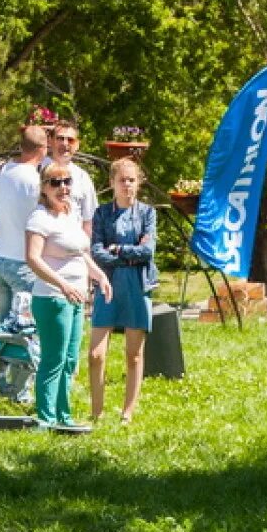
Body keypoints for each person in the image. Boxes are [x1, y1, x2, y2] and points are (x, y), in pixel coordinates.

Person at [26, 161, 111, 431]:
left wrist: (99, 275)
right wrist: (62, 285)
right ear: (44, 188)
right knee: (54, 358)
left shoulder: (70, 212)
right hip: (52, 297)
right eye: (55, 183)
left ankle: (63, 415)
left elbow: (80, 252)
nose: (62, 188)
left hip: (76, 297)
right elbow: (33, 259)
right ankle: (46, 417)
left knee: (70, 359)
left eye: (67, 182)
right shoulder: (40, 218)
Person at [86, 157, 156, 423]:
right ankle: (97, 411)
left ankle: (128, 412)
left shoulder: (148, 213)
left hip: (138, 285)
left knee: (134, 353)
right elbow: (97, 252)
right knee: (95, 354)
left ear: (138, 183)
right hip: (108, 284)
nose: (126, 185)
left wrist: (119, 249)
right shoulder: (102, 213)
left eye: (131, 180)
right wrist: (127, 254)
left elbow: (147, 251)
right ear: (112, 183)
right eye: (121, 180)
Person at [0, 126, 47, 324]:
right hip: (24, 262)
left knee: (4, 327)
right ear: (42, 148)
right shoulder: (35, 181)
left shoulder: (0, 170)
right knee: (26, 330)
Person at [47, 118, 98, 231]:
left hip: (74, 245)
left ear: (77, 145)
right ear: (49, 141)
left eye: (70, 140)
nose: (65, 143)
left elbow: (89, 220)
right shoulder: (38, 171)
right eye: (60, 138)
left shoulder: (83, 177)